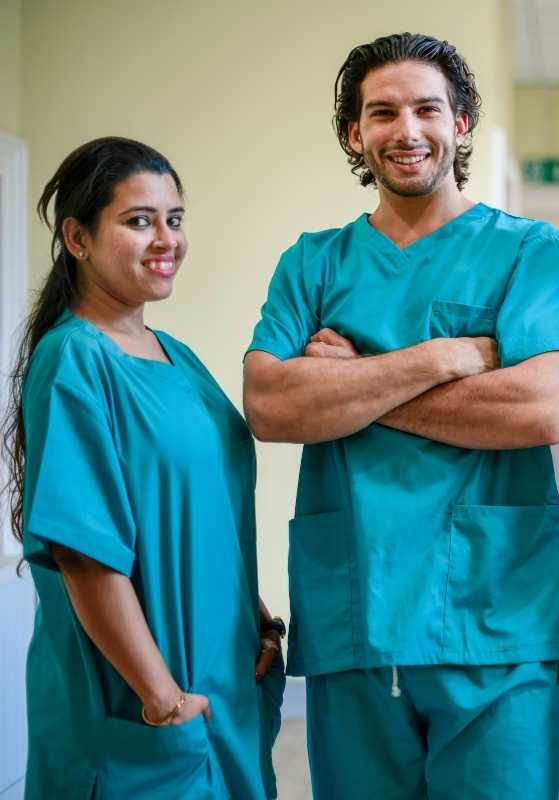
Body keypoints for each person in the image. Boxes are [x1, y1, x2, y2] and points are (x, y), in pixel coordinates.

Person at [242, 32, 559, 800]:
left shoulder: (527, 251)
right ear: (355, 134)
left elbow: (541, 409)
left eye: (427, 109)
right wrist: (442, 358)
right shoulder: (312, 262)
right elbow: (273, 405)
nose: (406, 130)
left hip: (495, 613)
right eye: (382, 113)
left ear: (462, 122)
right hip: (355, 617)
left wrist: (352, 390)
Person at [3, 137, 283, 799]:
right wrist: (162, 699)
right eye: (138, 221)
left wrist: (259, 620)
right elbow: (84, 555)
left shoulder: (174, 356)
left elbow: (200, 516)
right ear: (77, 238)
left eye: (175, 219)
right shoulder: (76, 359)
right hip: (149, 705)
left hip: (224, 690)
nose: (167, 239)